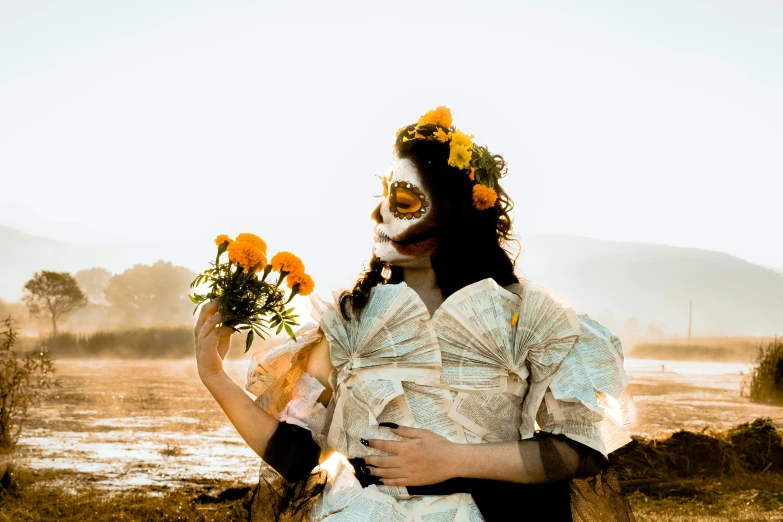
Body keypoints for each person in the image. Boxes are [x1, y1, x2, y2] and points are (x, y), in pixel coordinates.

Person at [194, 107, 636, 521]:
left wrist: (453, 460)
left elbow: (577, 448)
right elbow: (295, 456)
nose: (379, 212)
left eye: (403, 200)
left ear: (456, 213)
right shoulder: (352, 321)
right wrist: (214, 376)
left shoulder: (524, 316)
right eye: (384, 196)